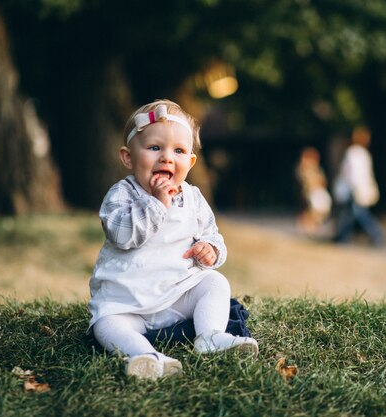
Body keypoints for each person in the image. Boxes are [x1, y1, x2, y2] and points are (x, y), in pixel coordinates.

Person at [88, 99, 258, 380]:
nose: (167, 157)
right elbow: (121, 237)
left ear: (190, 162)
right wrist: (156, 204)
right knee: (105, 324)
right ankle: (145, 355)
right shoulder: (122, 195)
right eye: (155, 148)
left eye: (178, 151)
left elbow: (212, 234)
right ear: (128, 157)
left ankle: (210, 336)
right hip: (128, 303)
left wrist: (211, 250)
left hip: (177, 296)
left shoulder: (192, 198)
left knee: (214, 282)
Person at [332, 126, 385, 246]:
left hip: (354, 189)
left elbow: (353, 174)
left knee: (358, 214)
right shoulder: (362, 153)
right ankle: (342, 237)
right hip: (357, 188)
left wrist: (353, 188)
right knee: (350, 214)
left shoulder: (354, 153)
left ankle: (377, 235)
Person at [295, 147, 332, 235]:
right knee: (313, 209)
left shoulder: (317, 169)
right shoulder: (303, 169)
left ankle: (310, 224)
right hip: (311, 193)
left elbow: (323, 181)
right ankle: (308, 225)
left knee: (319, 210)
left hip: (318, 192)